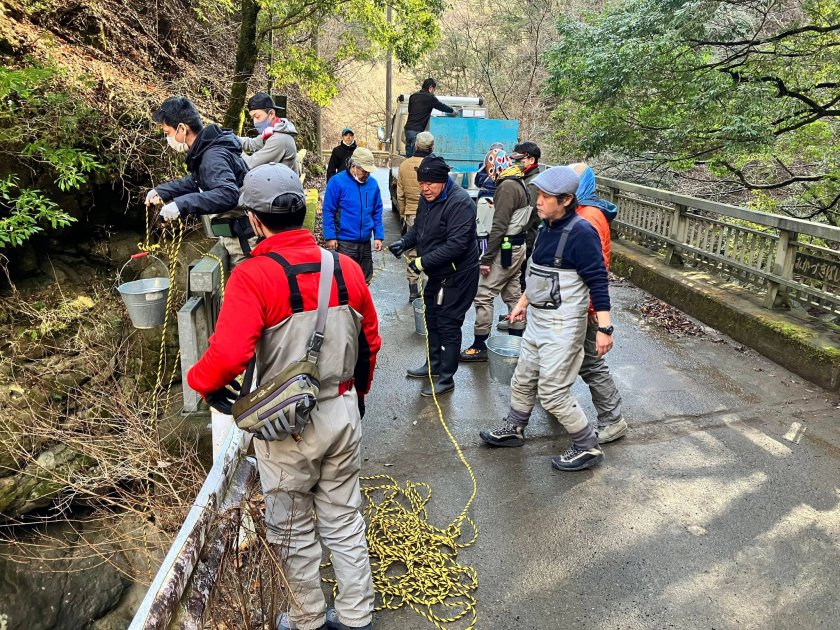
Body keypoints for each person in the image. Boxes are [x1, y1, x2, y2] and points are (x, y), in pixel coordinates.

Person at [186, 163, 381, 630]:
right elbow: (370, 341)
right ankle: (356, 616)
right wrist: (357, 398)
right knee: (344, 518)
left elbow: (229, 355)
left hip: (286, 425)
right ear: (303, 211)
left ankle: (308, 618)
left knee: (291, 529)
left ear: (254, 220)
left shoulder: (253, 277)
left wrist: (201, 382)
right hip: (341, 410)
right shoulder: (347, 268)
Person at [478, 165, 614, 472]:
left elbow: (598, 281)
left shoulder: (582, 232)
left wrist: (604, 327)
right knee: (523, 378)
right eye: (538, 194)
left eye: (546, 196)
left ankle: (587, 446)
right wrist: (523, 302)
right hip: (538, 322)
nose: (538, 201)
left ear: (566, 200)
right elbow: (538, 274)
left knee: (552, 393)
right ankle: (514, 428)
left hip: (564, 328)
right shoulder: (545, 228)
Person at [388, 154, 479, 397]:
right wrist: (404, 242)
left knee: (449, 323)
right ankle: (433, 364)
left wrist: (420, 262)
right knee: (432, 317)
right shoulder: (428, 199)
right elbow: (420, 229)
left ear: (443, 180)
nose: (425, 188)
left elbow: (456, 245)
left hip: (459, 275)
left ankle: (447, 377)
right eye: (421, 183)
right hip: (437, 273)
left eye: (430, 183)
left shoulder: (460, 203)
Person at [146, 96, 250, 263]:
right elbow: (197, 181)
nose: (168, 139)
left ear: (181, 128)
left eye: (168, 133)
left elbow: (227, 194)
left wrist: (181, 205)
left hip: (244, 242)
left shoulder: (212, 155)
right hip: (237, 236)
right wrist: (162, 191)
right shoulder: (207, 149)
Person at [569, 162, 627, 443]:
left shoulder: (589, 216)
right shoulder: (582, 211)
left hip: (585, 303)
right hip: (578, 302)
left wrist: (595, 311)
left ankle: (613, 420)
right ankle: (560, 402)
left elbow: (596, 269)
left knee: (590, 362)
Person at [460, 149, 529, 361]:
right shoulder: (519, 181)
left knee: (483, 295)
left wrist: (486, 258)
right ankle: (517, 342)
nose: (490, 174)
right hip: (518, 247)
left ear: (494, 166)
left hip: (505, 249)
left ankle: (480, 345)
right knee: (512, 295)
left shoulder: (507, 186)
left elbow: (499, 225)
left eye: (490, 169)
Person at [322, 147, 384, 283]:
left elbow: (377, 211)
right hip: (344, 242)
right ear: (353, 166)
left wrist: (378, 235)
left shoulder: (372, 184)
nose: (366, 174)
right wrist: (330, 236)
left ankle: (362, 304)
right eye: (363, 171)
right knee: (346, 280)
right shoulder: (337, 182)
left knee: (365, 279)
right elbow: (328, 211)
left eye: (368, 171)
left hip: (365, 242)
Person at [396, 131, 435, 302]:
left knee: (412, 252)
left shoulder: (404, 166)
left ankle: (413, 290)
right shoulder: (433, 164)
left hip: (411, 213)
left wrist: (404, 213)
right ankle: (427, 288)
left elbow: (400, 194)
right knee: (429, 251)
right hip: (431, 215)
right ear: (431, 147)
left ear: (416, 146)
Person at [237, 92, 300, 174]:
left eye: (257, 116)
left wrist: (230, 148)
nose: (255, 122)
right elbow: (252, 144)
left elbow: (249, 164)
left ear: (271, 114)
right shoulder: (273, 131)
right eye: (253, 118)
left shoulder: (279, 139)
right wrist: (230, 137)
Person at [404, 78, 454, 157]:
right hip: (416, 131)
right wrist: (452, 111)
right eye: (434, 90)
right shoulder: (430, 98)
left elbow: (410, 110)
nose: (433, 92)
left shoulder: (413, 96)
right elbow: (441, 107)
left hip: (408, 129)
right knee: (416, 156)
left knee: (408, 156)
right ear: (430, 88)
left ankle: (407, 168)